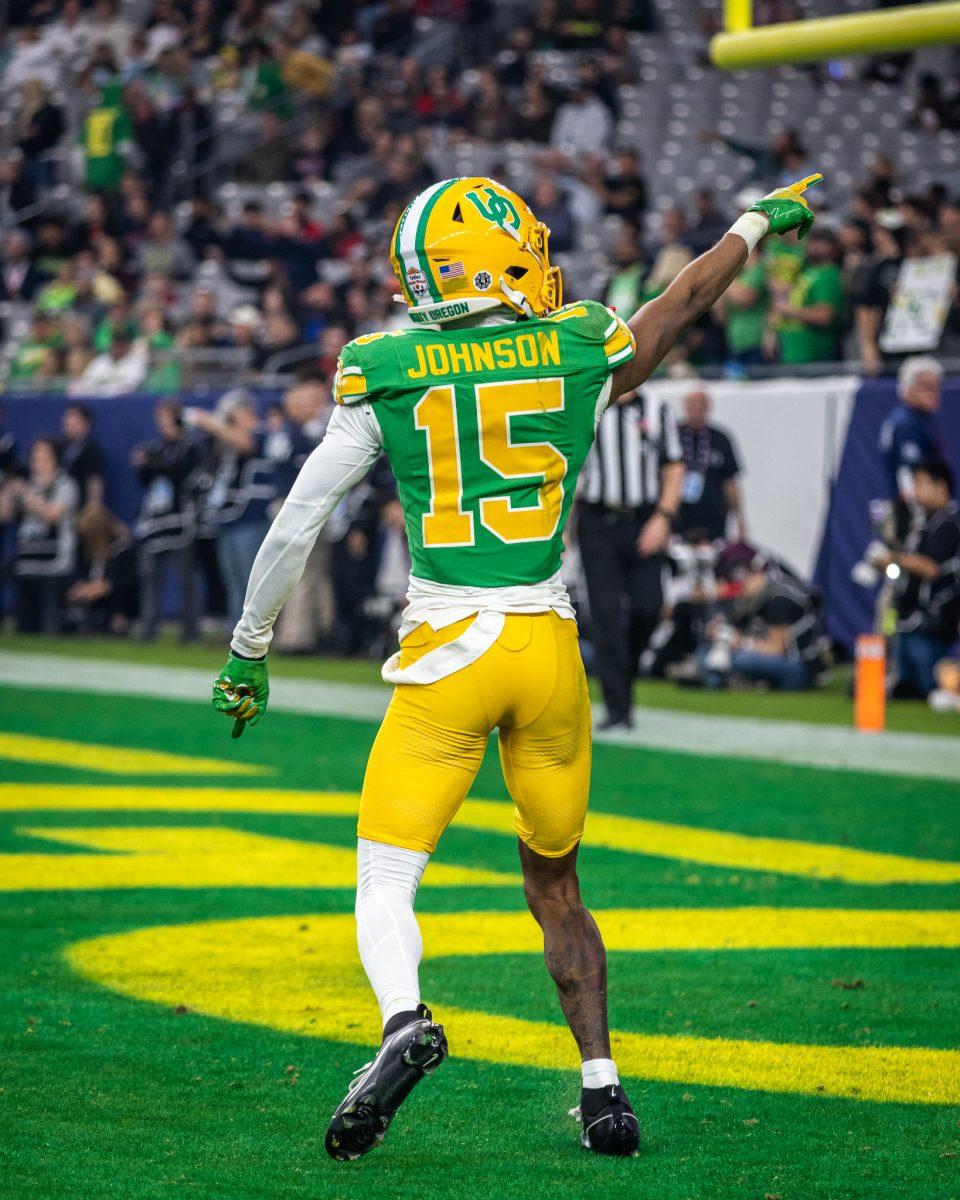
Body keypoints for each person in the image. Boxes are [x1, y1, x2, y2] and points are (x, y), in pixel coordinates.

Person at [210, 172, 822, 1159]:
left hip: (450, 650)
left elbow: (296, 524)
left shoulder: (383, 363)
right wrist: (755, 221)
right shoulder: (575, 341)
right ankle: (602, 1086)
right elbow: (684, 303)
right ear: (499, 258)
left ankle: (406, 1019)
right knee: (557, 883)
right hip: (548, 649)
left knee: (384, 875)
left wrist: (248, 654)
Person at [577, 390, 683, 730]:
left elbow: (674, 464)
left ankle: (626, 674)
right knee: (605, 615)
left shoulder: (657, 409)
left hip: (644, 520)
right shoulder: (587, 402)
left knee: (648, 607)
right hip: (598, 521)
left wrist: (664, 517)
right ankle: (617, 707)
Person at [187, 392, 282, 625]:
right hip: (229, 518)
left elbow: (246, 443)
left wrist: (210, 423)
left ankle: (255, 634)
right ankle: (235, 631)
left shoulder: (262, 433)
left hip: (251, 518)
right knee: (233, 581)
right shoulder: (226, 441)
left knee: (252, 582)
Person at [878, 460, 960, 697]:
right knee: (906, 684)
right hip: (906, 621)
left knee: (929, 685)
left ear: (941, 486)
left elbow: (930, 568)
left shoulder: (950, 523)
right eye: (913, 483)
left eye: (920, 483)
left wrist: (893, 559)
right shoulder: (921, 524)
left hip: (932, 624)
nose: (915, 491)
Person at [696, 543, 828, 691]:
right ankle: (720, 680)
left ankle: (724, 680)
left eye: (747, 577)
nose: (743, 584)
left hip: (799, 667)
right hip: (765, 655)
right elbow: (737, 628)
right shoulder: (753, 599)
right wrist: (721, 632)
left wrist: (740, 643)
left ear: (759, 575)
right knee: (705, 653)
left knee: (742, 660)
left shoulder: (779, 599)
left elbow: (776, 649)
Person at [132, 401, 201, 641]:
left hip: (180, 519)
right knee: (150, 577)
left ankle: (190, 631)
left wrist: (155, 463)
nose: (164, 427)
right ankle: (148, 628)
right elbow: (144, 479)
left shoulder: (189, 447)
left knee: (184, 579)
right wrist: (143, 463)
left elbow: (181, 475)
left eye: (168, 421)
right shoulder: (155, 447)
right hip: (156, 521)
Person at [0, 437, 79, 633]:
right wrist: (8, 490)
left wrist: (26, 495)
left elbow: (52, 514)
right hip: (26, 562)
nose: (39, 461)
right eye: (36, 456)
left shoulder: (65, 484)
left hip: (53, 562)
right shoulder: (26, 485)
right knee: (25, 627)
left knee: (48, 627)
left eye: (44, 456)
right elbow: (4, 515)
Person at [676, 389, 745, 543]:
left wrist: (739, 517)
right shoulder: (674, 436)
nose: (696, 410)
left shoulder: (720, 439)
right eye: (692, 405)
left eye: (700, 405)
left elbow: (731, 481)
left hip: (714, 520)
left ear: (708, 407)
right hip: (680, 518)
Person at [879, 356, 944, 504]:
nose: (935, 393)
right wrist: (918, 510)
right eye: (928, 387)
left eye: (937, 387)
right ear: (908, 388)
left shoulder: (917, 418)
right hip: (914, 508)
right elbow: (907, 474)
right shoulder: (906, 423)